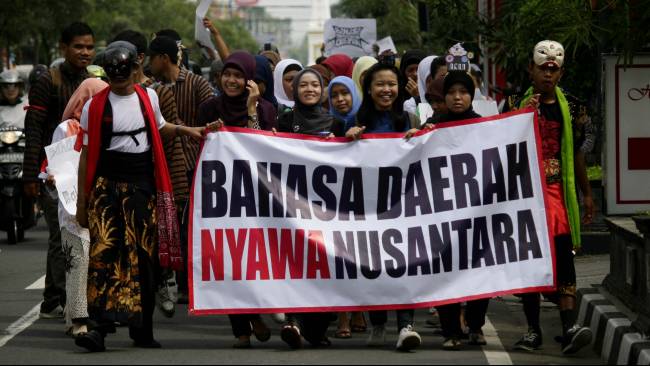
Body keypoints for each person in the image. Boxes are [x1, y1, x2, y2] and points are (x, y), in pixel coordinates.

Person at [73, 41, 206, 353]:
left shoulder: (149, 97)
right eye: (114, 77)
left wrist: (190, 131)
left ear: (136, 69)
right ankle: (100, 329)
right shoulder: (96, 105)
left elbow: (160, 128)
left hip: (143, 186)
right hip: (106, 187)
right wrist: (82, 201)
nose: (120, 82)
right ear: (108, 75)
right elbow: (86, 155)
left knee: (145, 258)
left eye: (126, 74)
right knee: (105, 255)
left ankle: (142, 330)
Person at [505, 40, 594, 354]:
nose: (548, 74)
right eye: (542, 68)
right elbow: (498, 150)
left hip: (557, 195)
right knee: (530, 263)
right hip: (524, 197)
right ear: (531, 69)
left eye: (553, 69)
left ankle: (569, 327)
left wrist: (586, 195)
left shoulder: (572, 106)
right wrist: (520, 117)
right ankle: (532, 331)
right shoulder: (513, 102)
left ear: (561, 72)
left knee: (564, 261)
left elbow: (578, 156)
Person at [345, 63, 421, 352]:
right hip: (367, 206)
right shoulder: (354, 119)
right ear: (369, 88)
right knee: (372, 264)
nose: (387, 90)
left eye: (392, 84)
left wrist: (419, 139)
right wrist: (348, 138)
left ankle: (406, 325)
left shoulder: (409, 118)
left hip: (403, 204)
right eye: (380, 84)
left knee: (405, 263)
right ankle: (377, 323)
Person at [23, 22, 95, 320]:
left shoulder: (93, 82)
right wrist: (30, 175)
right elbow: (34, 131)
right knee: (59, 236)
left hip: (84, 170)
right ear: (63, 48)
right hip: (53, 172)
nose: (85, 52)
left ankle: (53, 298)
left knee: (76, 234)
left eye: (90, 47)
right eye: (78, 46)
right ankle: (62, 298)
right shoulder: (47, 81)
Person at [420, 70, 492, 351]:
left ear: (471, 96)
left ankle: (475, 325)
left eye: (463, 92)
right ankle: (451, 331)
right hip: (442, 216)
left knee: (478, 270)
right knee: (444, 273)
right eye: (452, 93)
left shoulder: (485, 127)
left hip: (476, 215)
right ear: (444, 97)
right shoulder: (432, 127)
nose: (458, 97)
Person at [275, 69, 344, 349]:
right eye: (303, 84)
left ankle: (316, 328)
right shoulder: (285, 120)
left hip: (328, 210)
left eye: (315, 84)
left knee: (325, 266)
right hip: (293, 208)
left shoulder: (336, 123)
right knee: (295, 264)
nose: (310, 89)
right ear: (294, 91)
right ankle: (292, 320)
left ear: (323, 89)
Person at [148, 34, 213, 304]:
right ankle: (164, 279)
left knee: (188, 226)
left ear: (163, 59)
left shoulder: (198, 84)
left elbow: (212, 119)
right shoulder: (150, 89)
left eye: (151, 58)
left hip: (192, 166)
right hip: (161, 166)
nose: (148, 64)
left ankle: (188, 283)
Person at [47, 77, 108, 338]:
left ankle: (80, 316)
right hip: (72, 208)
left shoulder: (105, 126)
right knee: (77, 261)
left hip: (98, 207)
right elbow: (59, 168)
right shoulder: (66, 128)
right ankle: (79, 321)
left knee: (92, 263)